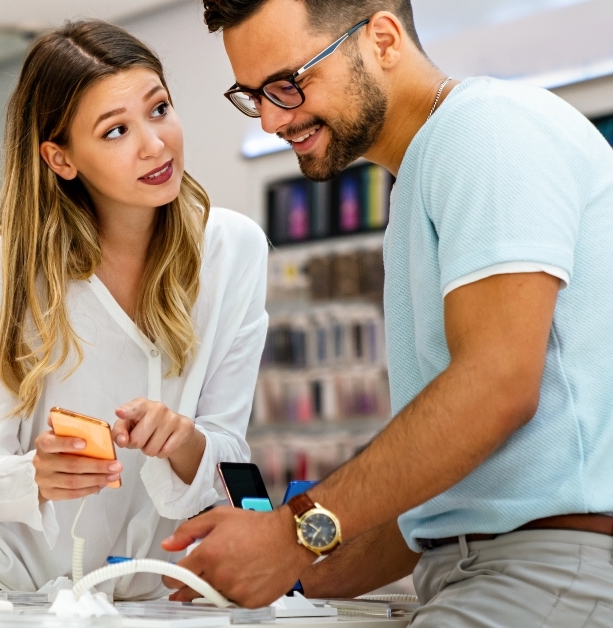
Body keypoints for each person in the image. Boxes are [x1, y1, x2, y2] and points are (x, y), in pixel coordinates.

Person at [161, 0, 613, 623]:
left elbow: (497, 388)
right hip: (481, 570)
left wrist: (289, 535)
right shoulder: (424, 178)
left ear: (382, 38)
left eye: (287, 85)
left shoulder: (483, 129)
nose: (270, 119)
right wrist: (282, 565)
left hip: (549, 571)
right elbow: (440, 508)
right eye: (253, 95)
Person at [0, 20, 270, 599]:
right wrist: (34, 477)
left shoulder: (233, 250)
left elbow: (230, 460)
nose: (154, 143)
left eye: (159, 108)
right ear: (60, 159)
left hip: (138, 597)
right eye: (115, 130)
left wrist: (184, 441)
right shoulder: (17, 268)